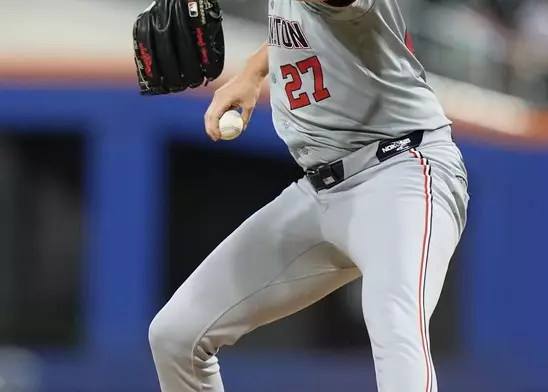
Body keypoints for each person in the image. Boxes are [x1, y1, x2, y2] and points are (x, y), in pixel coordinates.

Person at [148, 0, 469, 391]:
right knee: (176, 336)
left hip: (401, 175)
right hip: (321, 191)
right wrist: (253, 70)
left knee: (396, 324)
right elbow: (311, 28)